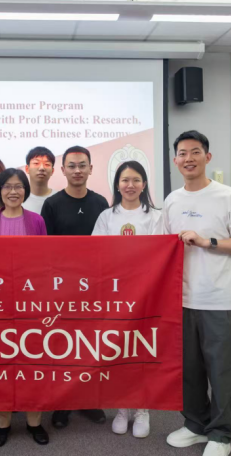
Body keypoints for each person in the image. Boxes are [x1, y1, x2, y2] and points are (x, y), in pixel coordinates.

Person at [163, 131, 231, 456]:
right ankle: (195, 425)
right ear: (175, 160)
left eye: (195, 152)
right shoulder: (172, 200)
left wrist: (206, 242)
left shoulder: (228, 197)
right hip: (182, 299)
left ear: (207, 157)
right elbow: (164, 248)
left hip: (219, 298)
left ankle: (222, 434)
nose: (188, 158)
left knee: (224, 371)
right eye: (182, 153)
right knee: (188, 370)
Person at [92, 160, 162, 439]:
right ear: (117, 185)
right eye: (124, 180)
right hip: (115, 294)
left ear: (144, 184)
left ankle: (142, 409)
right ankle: (122, 408)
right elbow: (96, 253)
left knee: (142, 350)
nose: (130, 185)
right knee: (118, 350)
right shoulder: (106, 216)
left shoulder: (156, 216)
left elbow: (160, 254)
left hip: (146, 293)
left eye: (135, 180)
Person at [41, 145, 109, 429]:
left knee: (89, 343)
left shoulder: (101, 203)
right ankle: (62, 402)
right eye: (72, 165)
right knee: (62, 344)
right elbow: (45, 251)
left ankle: (88, 399)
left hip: (94, 285)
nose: (77, 170)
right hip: (62, 287)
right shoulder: (52, 204)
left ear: (91, 169)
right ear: (63, 170)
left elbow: (109, 246)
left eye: (82, 165)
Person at [0, 168, 49, 447]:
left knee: (33, 360)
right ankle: (2, 424)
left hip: (30, 300)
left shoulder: (37, 220)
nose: (13, 191)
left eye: (18, 186)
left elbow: (45, 262)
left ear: (25, 190)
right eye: (7, 186)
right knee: (1, 362)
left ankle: (35, 422)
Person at [22, 146, 57, 214]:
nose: (41, 168)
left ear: (52, 171)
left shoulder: (59, 198)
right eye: (36, 163)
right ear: (27, 169)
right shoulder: (18, 199)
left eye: (47, 164)